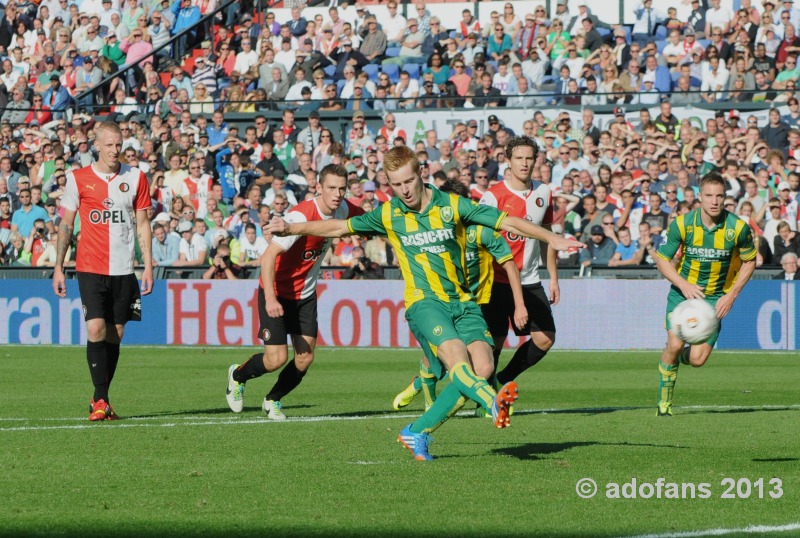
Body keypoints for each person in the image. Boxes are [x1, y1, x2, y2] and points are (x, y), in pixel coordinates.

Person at [264, 146, 584, 461]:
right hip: (424, 303)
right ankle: (493, 400)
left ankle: (417, 431)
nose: (403, 190)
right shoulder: (389, 214)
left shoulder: (453, 206)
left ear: (421, 174)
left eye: (408, 181)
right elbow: (338, 227)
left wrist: (550, 238)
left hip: (464, 303)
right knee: (458, 363)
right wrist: (291, 227)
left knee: (484, 366)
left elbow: (507, 222)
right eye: (396, 184)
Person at [225, 165, 363, 420]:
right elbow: (267, 258)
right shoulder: (300, 217)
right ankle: (238, 374)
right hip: (276, 291)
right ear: (319, 188)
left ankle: (273, 399)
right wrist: (270, 299)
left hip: (305, 296)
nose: (337, 194)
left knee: (304, 358)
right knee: (276, 359)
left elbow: (370, 221)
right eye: (331, 188)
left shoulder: (343, 209)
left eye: (342, 188)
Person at [391, 177, 527, 414]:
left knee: (486, 358)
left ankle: (485, 403)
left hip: (478, 301)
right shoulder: (432, 231)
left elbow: (509, 264)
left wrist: (520, 305)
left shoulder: (481, 231)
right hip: (440, 301)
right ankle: (424, 392)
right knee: (438, 358)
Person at [52, 121, 154, 421]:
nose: (115, 150)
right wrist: (58, 267)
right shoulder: (78, 178)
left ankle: (100, 398)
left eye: (118, 144)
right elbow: (66, 225)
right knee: (95, 328)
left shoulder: (136, 177)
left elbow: (143, 223)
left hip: (124, 269)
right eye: (109, 145)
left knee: (115, 334)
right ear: (96, 145)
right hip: (89, 265)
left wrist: (148, 265)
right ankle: (101, 399)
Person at [654, 172, 757, 417]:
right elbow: (662, 259)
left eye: (719, 196)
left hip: (714, 299)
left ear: (725, 198)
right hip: (682, 295)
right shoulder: (682, 224)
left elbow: (750, 261)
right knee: (675, 343)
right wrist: (684, 285)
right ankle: (664, 404)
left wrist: (730, 295)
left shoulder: (738, 228)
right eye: (709, 195)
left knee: (698, 360)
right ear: (699, 197)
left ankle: (674, 358)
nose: (714, 201)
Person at [476, 136, 560, 399]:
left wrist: (554, 278)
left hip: (530, 279)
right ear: (508, 161)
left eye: (529, 158)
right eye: (519, 158)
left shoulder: (544, 193)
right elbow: (480, 241)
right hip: (497, 281)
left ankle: (503, 378)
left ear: (536, 160)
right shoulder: (492, 197)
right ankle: (486, 396)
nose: (524, 163)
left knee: (546, 337)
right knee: (495, 343)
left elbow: (547, 237)